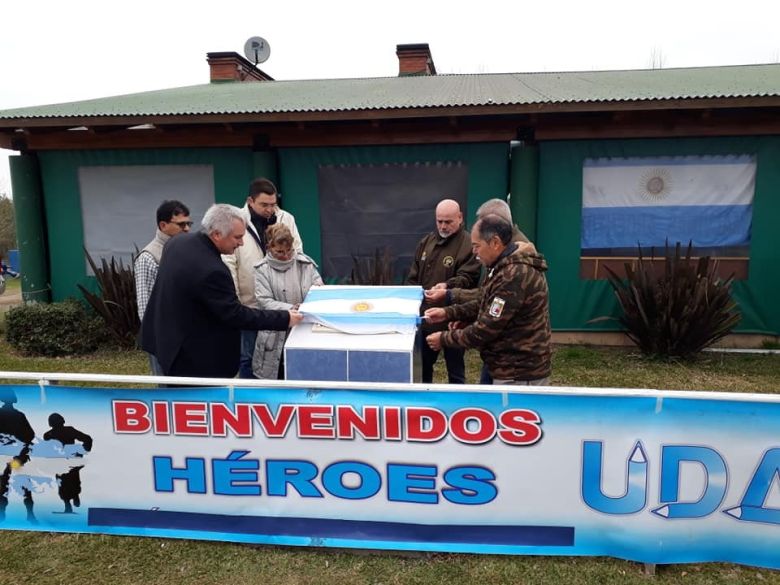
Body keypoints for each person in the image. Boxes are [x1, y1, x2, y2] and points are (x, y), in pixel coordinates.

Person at [141, 203, 303, 379]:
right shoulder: (212, 270)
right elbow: (235, 314)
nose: (241, 243)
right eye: (237, 237)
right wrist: (285, 317)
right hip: (191, 363)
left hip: (162, 342)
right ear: (217, 234)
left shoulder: (178, 243)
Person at [424, 214, 552, 385]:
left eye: (477, 246)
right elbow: (485, 301)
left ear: (495, 243)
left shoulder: (513, 275)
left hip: (519, 373)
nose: (474, 252)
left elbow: (487, 328)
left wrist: (444, 339)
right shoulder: (502, 268)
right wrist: (448, 313)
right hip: (507, 367)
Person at [223, 178, 303, 379]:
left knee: (280, 356)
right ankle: (248, 401)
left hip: (282, 304)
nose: (270, 210)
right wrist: (234, 300)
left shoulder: (286, 218)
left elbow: (298, 253)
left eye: (273, 204)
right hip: (248, 304)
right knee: (247, 356)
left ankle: (280, 399)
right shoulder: (236, 220)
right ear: (250, 201)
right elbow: (229, 261)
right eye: (264, 205)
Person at [407, 199, 481, 384]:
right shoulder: (427, 242)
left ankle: (458, 407)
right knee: (422, 368)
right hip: (426, 318)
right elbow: (414, 275)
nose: (443, 226)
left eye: (448, 221)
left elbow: (468, 278)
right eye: (440, 221)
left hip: (453, 320)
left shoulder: (468, 244)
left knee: (455, 370)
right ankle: (424, 404)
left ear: (460, 218)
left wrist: (446, 286)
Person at [252, 224, 323, 379]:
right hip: (274, 333)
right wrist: (291, 308)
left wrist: (319, 290)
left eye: (289, 250)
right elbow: (264, 301)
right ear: (269, 248)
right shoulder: (262, 269)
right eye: (279, 252)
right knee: (275, 380)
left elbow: (319, 291)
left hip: (304, 330)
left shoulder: (305, 265)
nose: (285, 255)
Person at [134, 200, 192, 375]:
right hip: (163, 339)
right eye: (181, 224)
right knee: (166, 391)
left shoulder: (188, 249)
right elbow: (145, 308)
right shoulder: (148, 257)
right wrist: (162, 340)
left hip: (188, 335)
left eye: (189, 224)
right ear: (163, 225)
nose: (187, 229)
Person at [43, 413, 92, 514]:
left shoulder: (69, 430)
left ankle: (75, 496)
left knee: (73, 481)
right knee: (62, 484)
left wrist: (81, 452)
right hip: (59, 463)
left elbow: (87, 439)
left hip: (71, 461)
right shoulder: (48, 435)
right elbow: (47, 449)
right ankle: (67, 505)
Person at [0, 388, 36, 522]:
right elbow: (29, 435)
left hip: (2, 457)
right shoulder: (19, 415)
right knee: (24, 483)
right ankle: (30, 515)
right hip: (17, 457)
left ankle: (2, 514)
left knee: (3, 484)